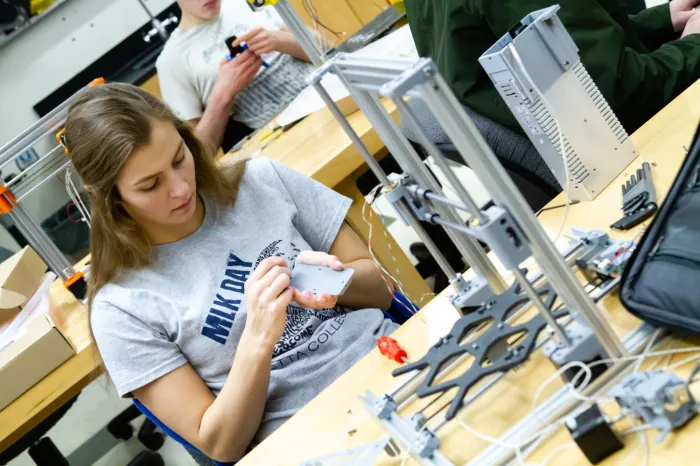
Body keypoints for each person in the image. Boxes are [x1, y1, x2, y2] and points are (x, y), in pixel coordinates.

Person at [63, 83, 396, 462]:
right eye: (150, 185)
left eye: (177, 158)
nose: (179, 188)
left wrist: (336, 285)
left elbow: (384, 289)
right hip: (312, 439)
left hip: (393, 363)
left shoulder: (263, 179)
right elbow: (220, 444)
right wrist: (256, 339)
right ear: (111, 198)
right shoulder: (121, 307)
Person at [404, 0, 700, 136]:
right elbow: (620, 92)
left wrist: (662, 19)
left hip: (555, 130)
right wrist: (692, 45)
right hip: (616, 135)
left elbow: (568, 36)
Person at [157, 0, 319, 150]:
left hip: (322, 103)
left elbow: (324, 49)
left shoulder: (248, 3)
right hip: (276, 146)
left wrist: (277, 40)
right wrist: (224, 92)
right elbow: (198, 155)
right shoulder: (171, 60)